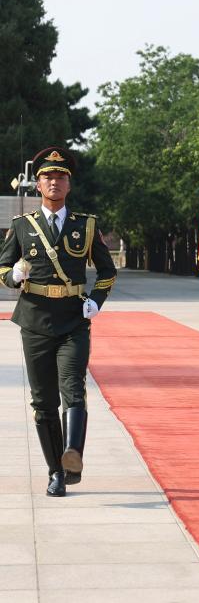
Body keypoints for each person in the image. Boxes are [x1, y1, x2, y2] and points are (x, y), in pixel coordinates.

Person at [0, 147, 117, 497]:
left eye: (60, 177)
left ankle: (73, 455)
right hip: (35, 320)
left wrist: (95, 301)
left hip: (72, 321)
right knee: (43, 402)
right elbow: (2, 267)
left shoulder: (86, 225)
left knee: (73, 388)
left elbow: (107, 271)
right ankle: (55, 472)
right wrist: (13, 276)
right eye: (48, 177)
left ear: (69, 184)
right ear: (38, 185)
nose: (54, 182)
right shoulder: (22, 227)